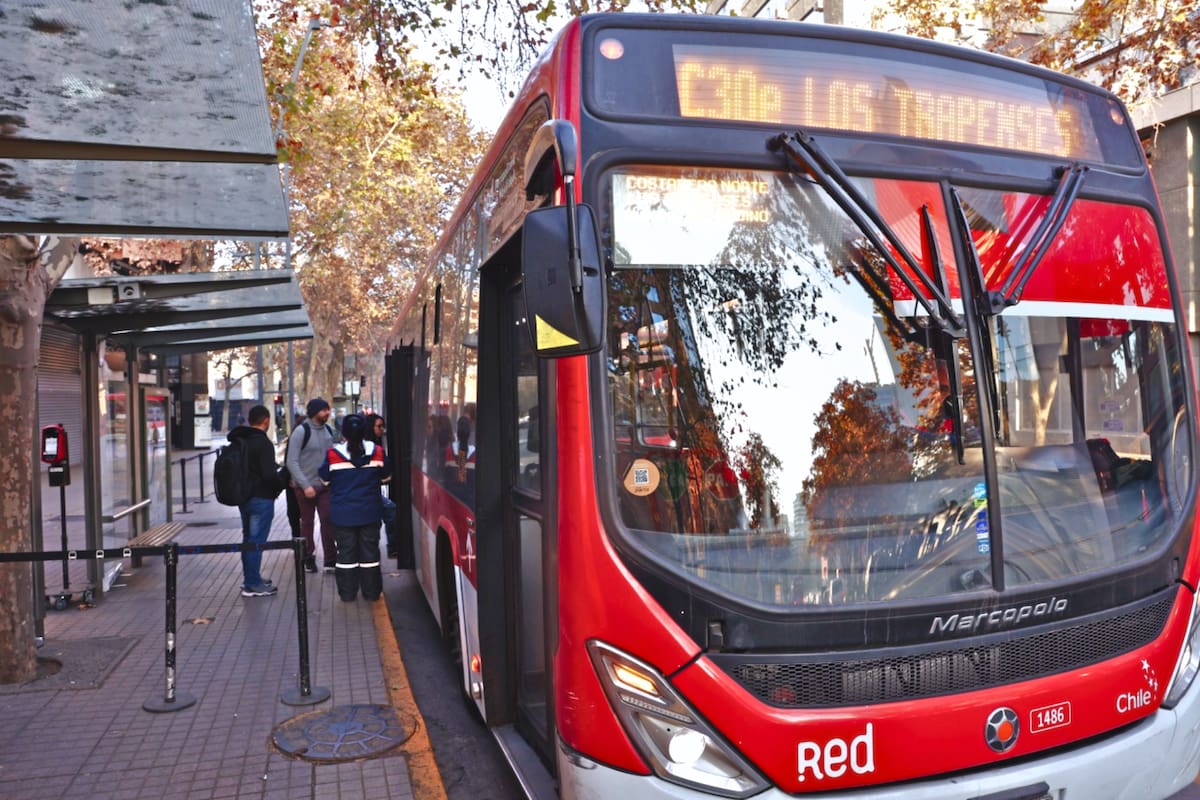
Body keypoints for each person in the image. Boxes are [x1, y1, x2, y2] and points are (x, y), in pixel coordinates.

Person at [318, 413, 391, 602]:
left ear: (345, 433)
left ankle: (348, 594)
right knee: (370, 553)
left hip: (343, 515)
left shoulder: (333, 455)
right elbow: (386, 477)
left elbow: (324, 480)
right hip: (370, 513)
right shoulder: (376, 451)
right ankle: (371, 592)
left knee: (346, 554)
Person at [227, 404, 283, 597]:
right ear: (266, 421)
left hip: (244, 497)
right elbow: (268, 475)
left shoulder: (242, 440)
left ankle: (251, 578)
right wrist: (280, 483)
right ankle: (253, 584)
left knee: (248, 540)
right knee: (257, 541)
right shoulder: (264, 444)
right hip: (261, 498)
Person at [287, 398, 338, 573]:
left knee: (328, 520)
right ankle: (308, 557)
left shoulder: (328, 431)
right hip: (305, 487)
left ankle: (331, 560)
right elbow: (291, 461)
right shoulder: (301, 431)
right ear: (315, 411)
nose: (328, 413)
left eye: (328, 410)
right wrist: (304, 485)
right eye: (324, 410)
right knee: (307, 523)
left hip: (325, 486)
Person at [364, 413, 399, 558]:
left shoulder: (376, 445)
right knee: (390, 510)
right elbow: (385, 471)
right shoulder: (372, 447)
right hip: (369, 492)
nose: (382, 429)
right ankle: (392, 548)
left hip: (371, 491)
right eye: (379, 426)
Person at [282, 413, 307, 543]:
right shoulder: (294, 441)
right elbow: (289, 462)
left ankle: (301, 542)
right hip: (294, 484)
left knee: (300, 514)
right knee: (295, 513)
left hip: (304, 483)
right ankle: (298, 541)